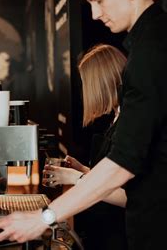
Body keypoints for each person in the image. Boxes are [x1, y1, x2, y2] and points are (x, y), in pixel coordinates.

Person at [0, 0, 167, 250]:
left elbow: (123, 163)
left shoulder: (153, 51)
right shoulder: (162, 39)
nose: (94, 14)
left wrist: (43, 218)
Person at [43, 44, 127, 250]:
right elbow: (113, 177)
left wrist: (75, 178)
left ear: (101, 83)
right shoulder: (116, 118)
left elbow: (129, 196)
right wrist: (82, 170)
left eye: (86, 83)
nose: (85, 91)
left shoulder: (130, 125)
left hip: (120, 237)